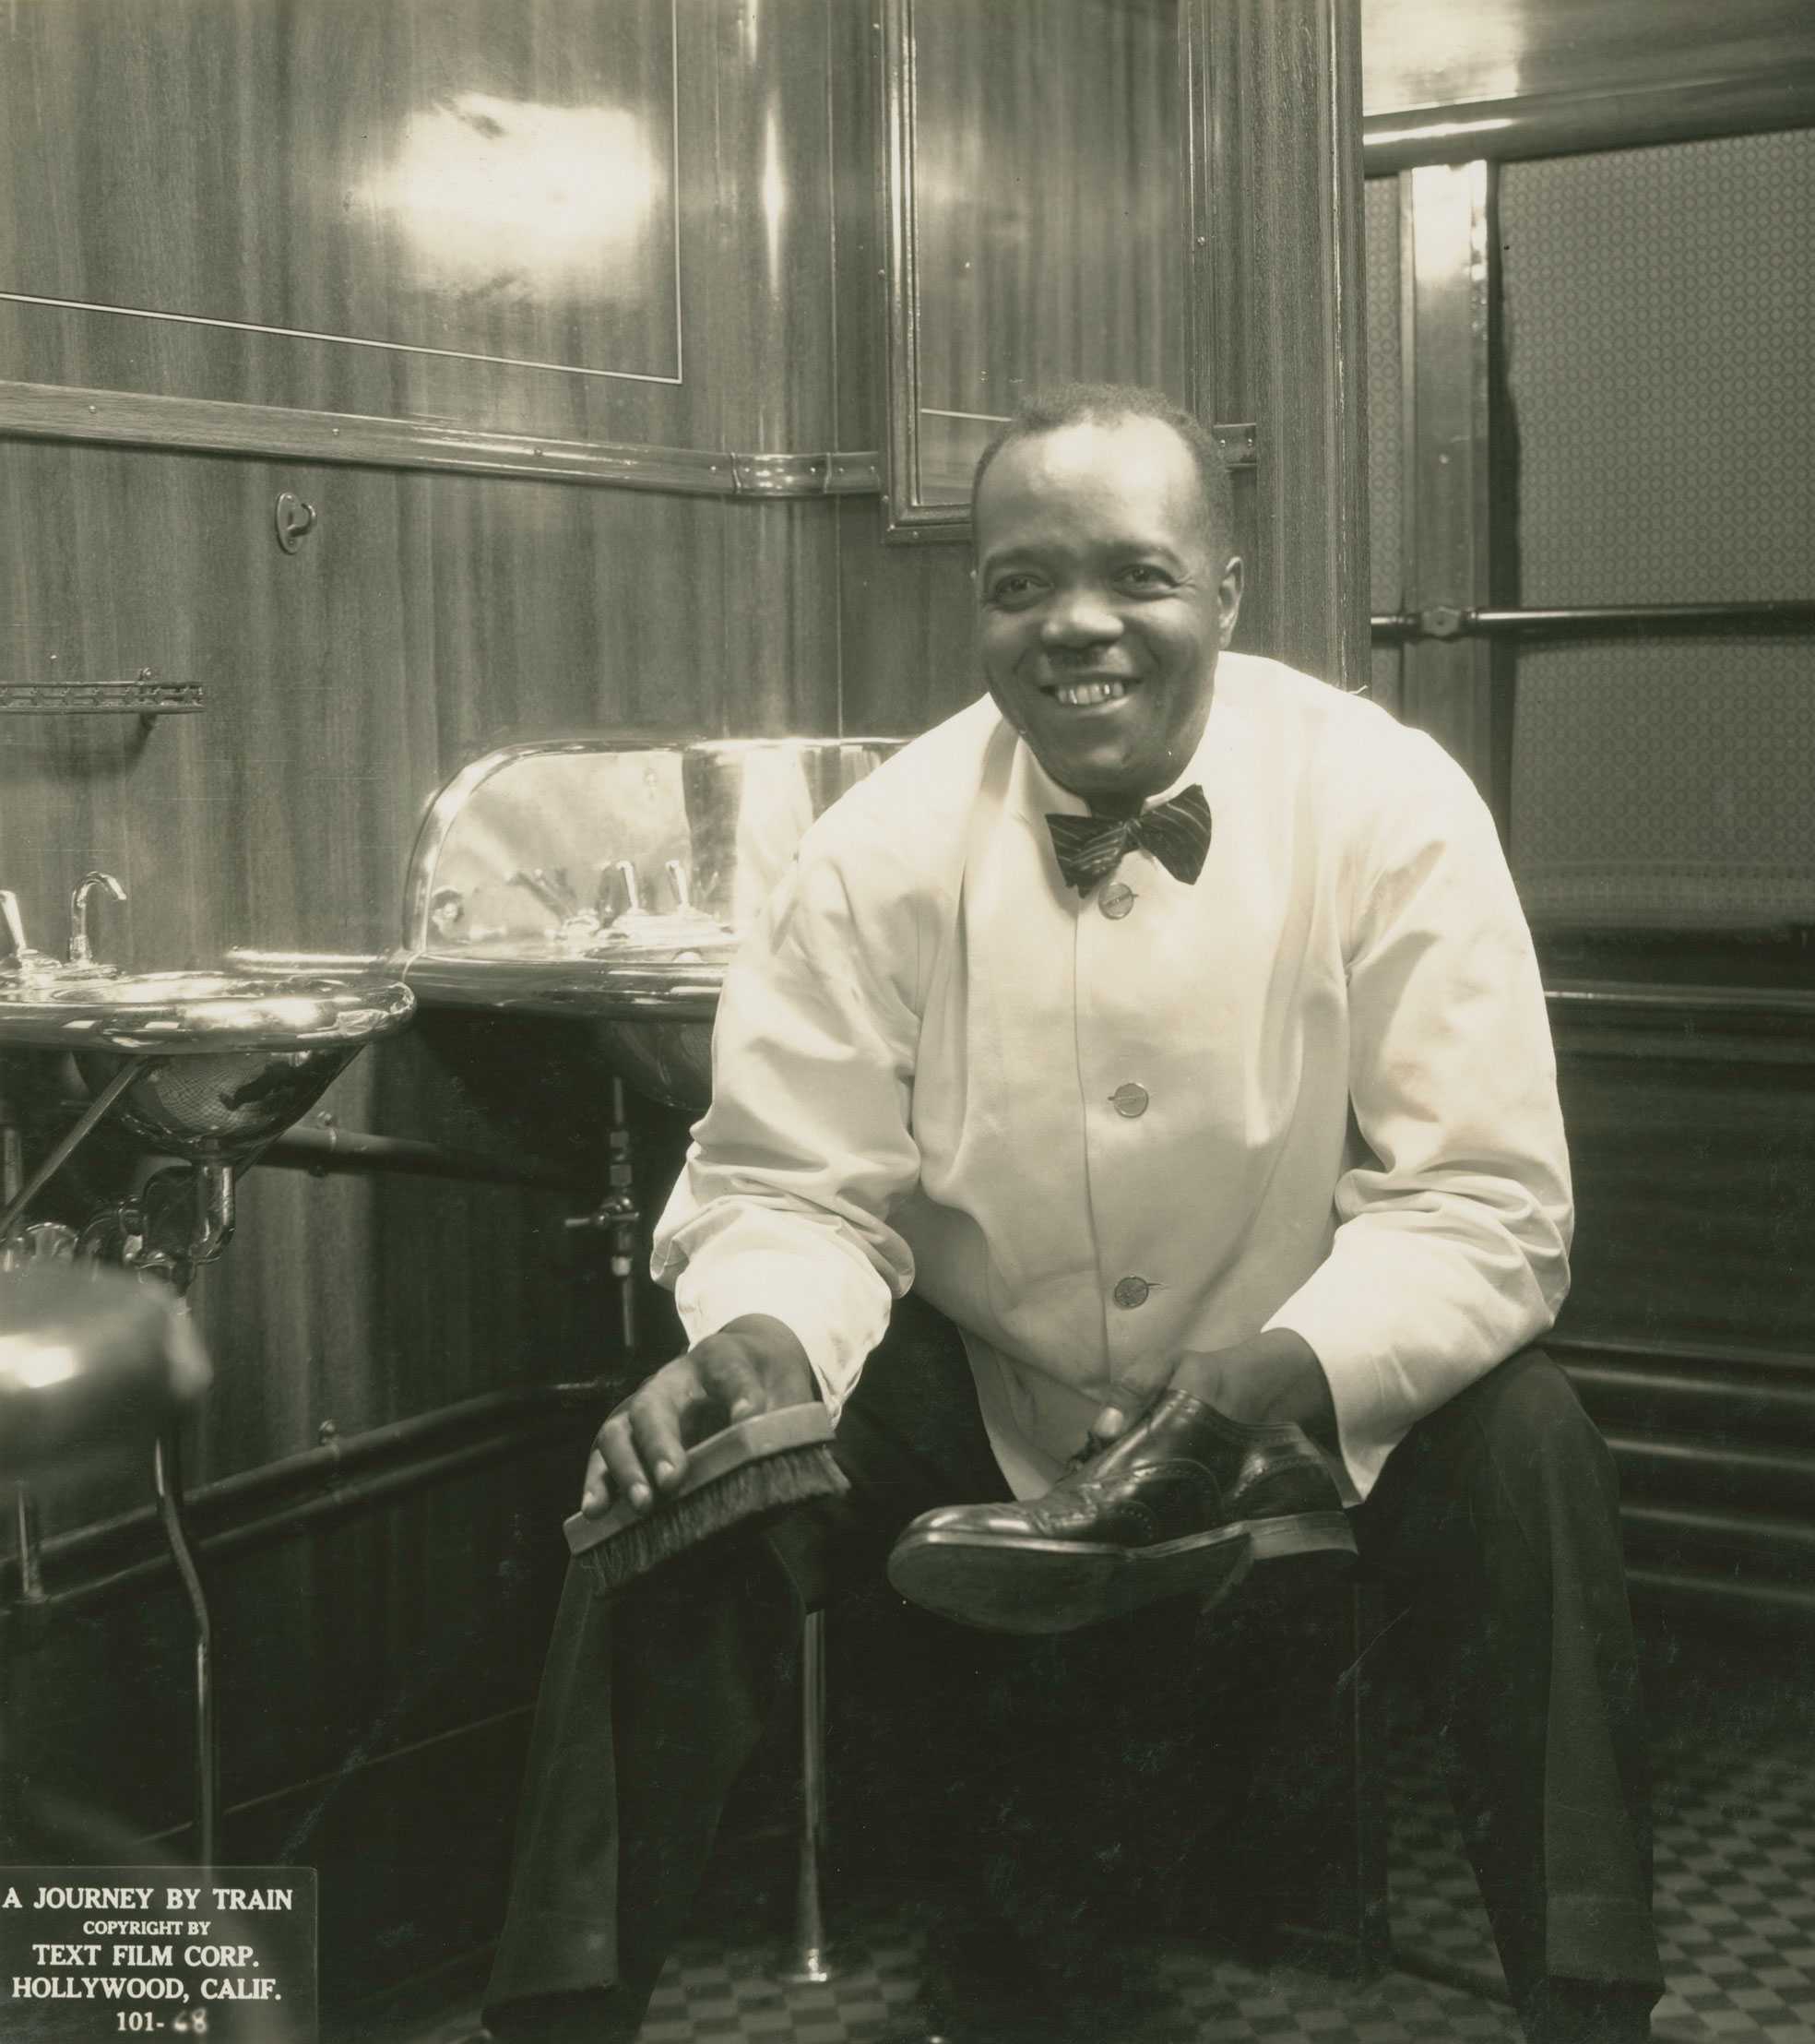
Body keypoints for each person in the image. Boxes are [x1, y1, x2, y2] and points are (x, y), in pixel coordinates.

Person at [480, 384, 1660, 2043]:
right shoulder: (881, 846)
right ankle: (558, 2019)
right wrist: (750, 1335)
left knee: (1535, 1453)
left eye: (1136, 576)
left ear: (1227, 596)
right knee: (685, 1489)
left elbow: (1485, 1202)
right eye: (1021, 583)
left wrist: (1267, 1378)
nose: (1076, 627)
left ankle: (1594, 2008)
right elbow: (789, 1180)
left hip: (1297, 1395)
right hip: (990, 1392)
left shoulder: (1387, 802)